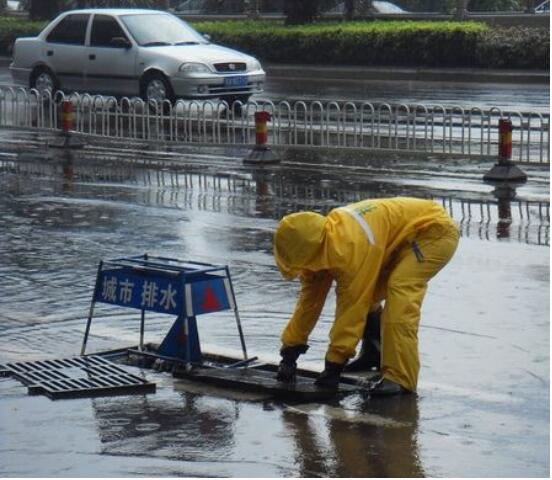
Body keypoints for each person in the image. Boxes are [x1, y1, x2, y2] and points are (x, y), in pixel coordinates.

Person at [273, 197, 459, 395]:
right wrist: (289, 352)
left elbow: (352, 308)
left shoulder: (349, 249)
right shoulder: (320, 246)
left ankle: (400, 379)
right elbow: (309, 303)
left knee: (400, 293)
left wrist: (334, 366)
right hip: (398, 240)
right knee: (369, 295)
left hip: (432, 233)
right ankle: (373, 353)